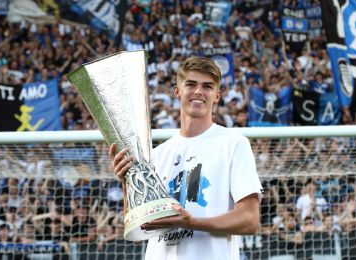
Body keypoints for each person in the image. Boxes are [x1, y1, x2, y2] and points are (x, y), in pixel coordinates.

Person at [110, 56, 262, 260]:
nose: (198, 91)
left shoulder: (233, 143)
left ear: (217, 95)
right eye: (191, 84)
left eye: (207, 86)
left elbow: (250, 220)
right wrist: (127, 184)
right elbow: (140, 227)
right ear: (177, 91)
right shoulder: (156, 154)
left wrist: (190, 222)